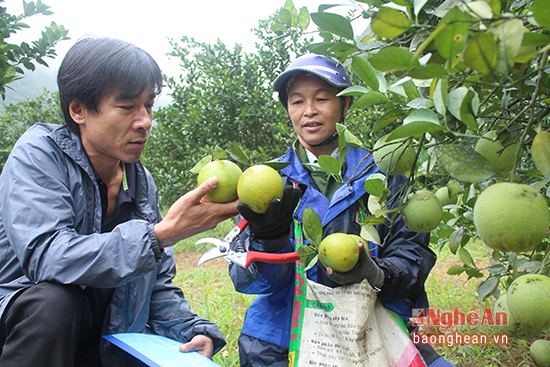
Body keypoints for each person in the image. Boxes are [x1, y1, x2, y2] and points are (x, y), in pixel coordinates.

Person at [0, 37, 239, 367]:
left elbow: (154, 284)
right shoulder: (38, 156)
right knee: (57, 302)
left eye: (149, 106)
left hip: (99, 338)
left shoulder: (140, 182)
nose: (145, 121)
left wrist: (191, 330)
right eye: (127, 107)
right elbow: (48, 257)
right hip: (27, 329)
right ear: (78, 109)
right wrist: (160, 235)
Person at [229, 54, 455, 367]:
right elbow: (246, 280)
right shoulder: (267, 184)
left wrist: (378, 273)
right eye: (297, 102)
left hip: (370, 325)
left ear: (345, 106)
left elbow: (412, 254)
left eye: (322, 98)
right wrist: (269, 241)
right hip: (281, 337)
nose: (309, 111)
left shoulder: (384, 174)